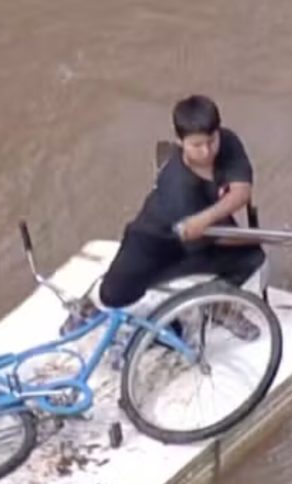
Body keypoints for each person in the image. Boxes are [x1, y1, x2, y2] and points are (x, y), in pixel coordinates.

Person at [64, 94, 265, 341]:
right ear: (180, 142)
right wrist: (241, 234)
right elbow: (219, 237)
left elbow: (241, 191)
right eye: (197, 145)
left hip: (204, 228)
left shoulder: (228, 142)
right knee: (113, 294)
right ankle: (87, 305)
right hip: (153, 241)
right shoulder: (176, 187)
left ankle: (217, 305)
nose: (207, 151)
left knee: (251, 258)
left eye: (211, 141)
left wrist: (206, 220)